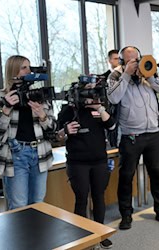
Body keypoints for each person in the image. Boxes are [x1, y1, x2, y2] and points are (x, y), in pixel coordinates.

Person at [107, 46, 159, 229]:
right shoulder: (115, 76)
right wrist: (126, 74)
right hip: (130, 136)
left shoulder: (148, 72)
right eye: (130, 60)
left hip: (153, 134)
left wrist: (150, 76)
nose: (135, 63)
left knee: (158, 174)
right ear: (122, 61)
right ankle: (126, 215)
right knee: (126, 176)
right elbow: (113, 98)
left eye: (136, 59)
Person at [0, 55, 57, 210]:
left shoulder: (39, 95)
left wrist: (42, 115)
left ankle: (36, 235)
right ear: (13, 70)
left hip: (40, 153)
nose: (29, 71)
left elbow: (53, 129)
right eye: (24, 67)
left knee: (38, 203)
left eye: (29, 67)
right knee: (19, 206)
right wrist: (6, 109)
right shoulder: (0, 96)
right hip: (15, 155)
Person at [57, 81, 116, 249]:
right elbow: (58, 135)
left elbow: (112, 126)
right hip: (78, 163)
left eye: (93, 91)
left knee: (99, 197)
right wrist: (65, 130)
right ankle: (82, 236)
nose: (91, 94)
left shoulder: (98, 109)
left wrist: (100, 108)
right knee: (81, 199)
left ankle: (100, 233)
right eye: (87, 91)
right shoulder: (68, 110)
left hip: (99, 161)